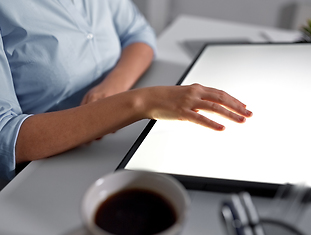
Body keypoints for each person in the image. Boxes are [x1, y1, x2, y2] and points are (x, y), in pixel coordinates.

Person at [0, 0, 252, 181]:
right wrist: (141, 102)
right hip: (41, 170)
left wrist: (113, 86)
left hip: (112, 141)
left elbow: (137, 33)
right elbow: (6, 137)